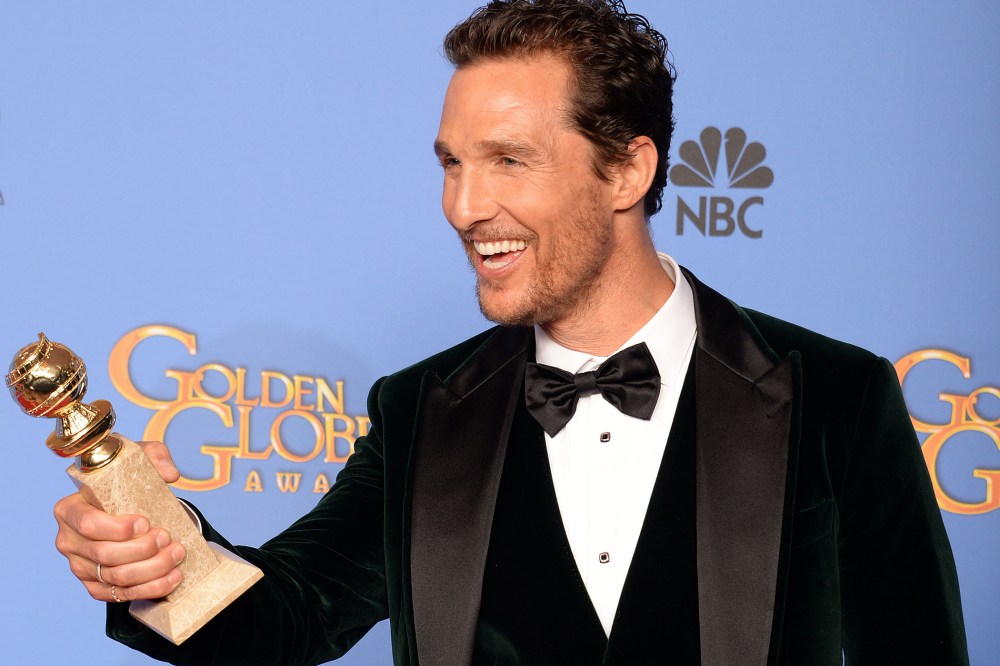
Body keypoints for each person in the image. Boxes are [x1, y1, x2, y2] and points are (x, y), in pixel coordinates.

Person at [53, 1, 968, 664]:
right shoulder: (422, 411)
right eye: (451, 163)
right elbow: (289, 616)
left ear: (627, 169)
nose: (463, 206)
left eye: (508, 161)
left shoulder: (835, 395)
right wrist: (156, 558)